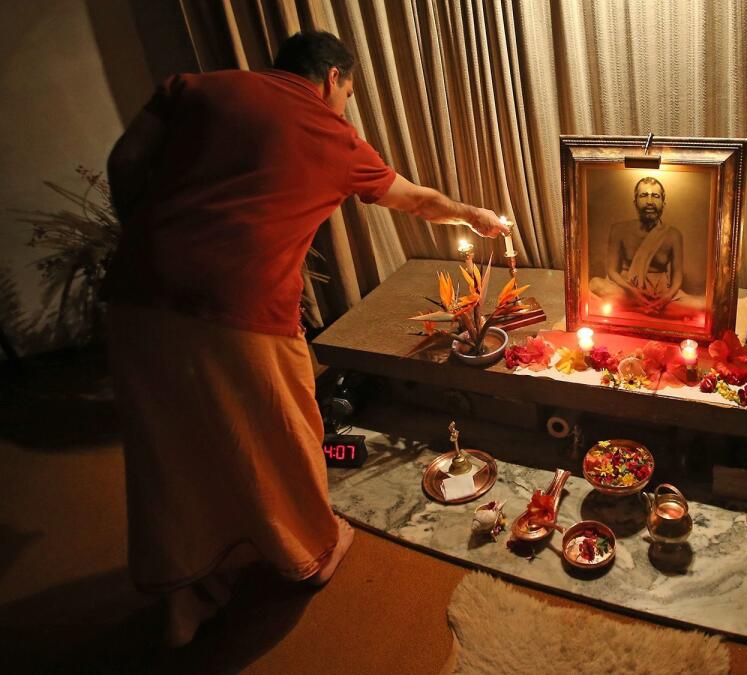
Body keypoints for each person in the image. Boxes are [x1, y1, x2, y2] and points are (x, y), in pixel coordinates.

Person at [102, 31, 507, 647]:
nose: (344, 104)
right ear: (334, 79)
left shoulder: (193, 88)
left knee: (167, 453)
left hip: (134, 294)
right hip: (237, 305)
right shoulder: (329, 130)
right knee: (281, 429)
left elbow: (125, 162)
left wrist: (156, 234)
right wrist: (473, 215)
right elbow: (416, 201)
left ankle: (182, 598)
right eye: (348, 93)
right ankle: (310, 554)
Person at [588, 176, 701, 318]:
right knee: (595, 284)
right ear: (635, 202)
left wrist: (666, 297)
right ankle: (650, 309)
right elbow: (612, 270)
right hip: (627, 287)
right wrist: (632, 291)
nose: (649, 202)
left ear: (663, 203)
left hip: (659, 291)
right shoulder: (619, 229)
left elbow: (677, 277)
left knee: (698, 306)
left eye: (655, 196)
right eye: (643, 196)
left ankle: (638, 307)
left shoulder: (673, 234)